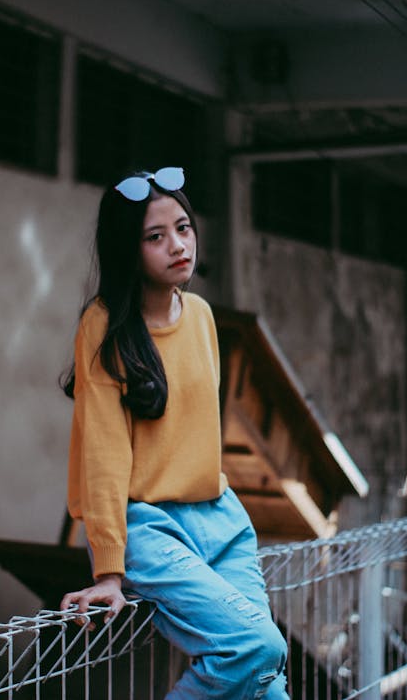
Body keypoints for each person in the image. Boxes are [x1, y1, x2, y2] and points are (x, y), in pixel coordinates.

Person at [60, 167, 289, 699]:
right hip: (148, 527)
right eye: (155, 236)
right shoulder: (104, 324)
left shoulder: (204, 316)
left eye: (183, 228)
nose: (177, 245)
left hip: (220, 518)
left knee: (267, 680)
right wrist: (110, 571)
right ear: (127, 249)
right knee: (259, 647)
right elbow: (103, 454)